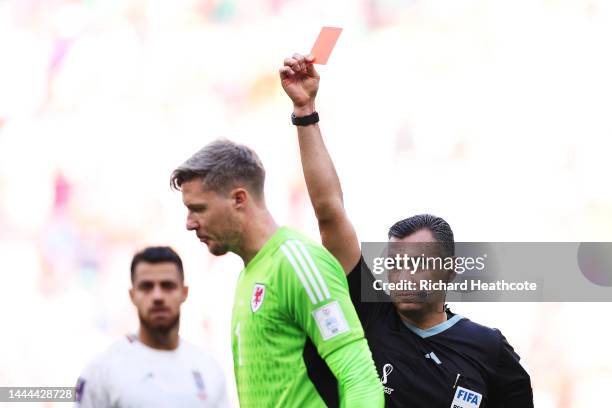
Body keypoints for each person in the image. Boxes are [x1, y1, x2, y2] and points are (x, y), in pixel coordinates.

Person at [280, 52, 534, 407]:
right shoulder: (369, 314)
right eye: (395, 264)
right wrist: (305, 110)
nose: (404, 275)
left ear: (450, 268)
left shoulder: (488, 350)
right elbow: (329, 213)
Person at [170, 140, 384, 407]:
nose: (189, 223)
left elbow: (361, 380)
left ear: (239, 199)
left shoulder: (297, 263)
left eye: (198, 209)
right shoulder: (249, 273)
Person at [75, 246, 229, 408]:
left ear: (184, 292)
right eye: (147, 287)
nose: (157, 296)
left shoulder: (209, 369)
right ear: (132, 295)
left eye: (167, 286)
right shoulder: (102, 370)